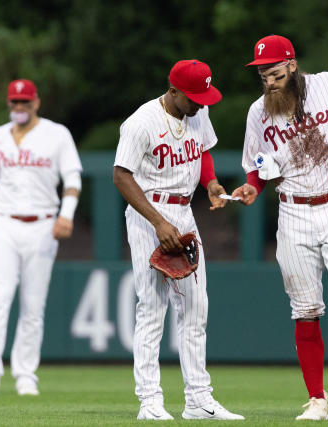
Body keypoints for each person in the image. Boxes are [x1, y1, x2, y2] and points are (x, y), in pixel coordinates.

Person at [231, 35, 328, 421]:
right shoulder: (258, 113)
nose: (269, 80)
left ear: (292, 65)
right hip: (293, 212)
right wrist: (252, 186)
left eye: (275, 72)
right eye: (263, 74)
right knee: (305, 309)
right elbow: (257, 163)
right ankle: (317, 399)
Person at [113, 59, 244, 421]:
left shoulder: (196, 113)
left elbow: (202, 152)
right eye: (194, 97)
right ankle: (150, 401)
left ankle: (199, 401)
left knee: (195, 308)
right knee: (152, 307)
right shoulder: (141, 123)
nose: (201, 103)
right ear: (173, 91)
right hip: (148, 214)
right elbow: (121, 176)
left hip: (184, 213)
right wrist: (157, 222)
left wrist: (213, 184)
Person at [0, 79, 82, 396]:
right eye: (14, 102)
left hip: (42, 223)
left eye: (25, 102)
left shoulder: (56, 134)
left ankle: (25, 375)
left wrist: (67, 213)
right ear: (9, 104)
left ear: (36, 103)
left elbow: (73, 177)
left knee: (33, 304)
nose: (19, 108)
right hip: (5, 224)